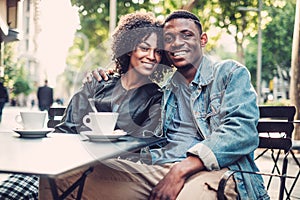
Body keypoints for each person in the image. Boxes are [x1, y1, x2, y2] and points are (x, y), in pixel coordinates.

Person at [39, 10, 269, 199]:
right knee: (59, 179)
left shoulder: (229, 73)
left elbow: (242, 132)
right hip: (161, 168)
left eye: (186, 35)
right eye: (168, 39)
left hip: (220, 172)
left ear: (202, 39)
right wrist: (103, 79)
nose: (177, 43)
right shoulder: (165, 90)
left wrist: (181, 169)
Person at [0, 11, 167, 199]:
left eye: (158, 52)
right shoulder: (98, 83)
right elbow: (65, 130)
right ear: (129, 49)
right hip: (62, 163)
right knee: (7, 193)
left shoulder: (157, 98)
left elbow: (144, 147)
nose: (152, 56)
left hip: (99, 175)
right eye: (144, 48)